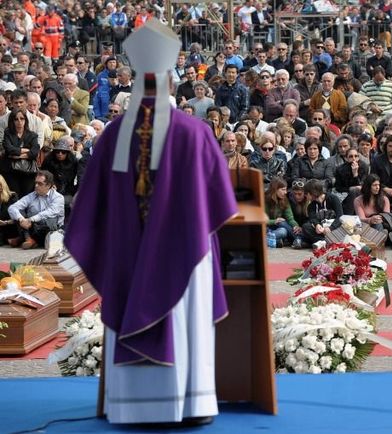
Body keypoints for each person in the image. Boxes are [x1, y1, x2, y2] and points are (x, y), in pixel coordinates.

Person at [65, 20, 238, 426]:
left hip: (127, 257)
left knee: (130, 300)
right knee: (185, 322)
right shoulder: (194, 134)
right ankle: (189, 406)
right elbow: (220, 204)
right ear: (168, 80)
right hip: (184, 253)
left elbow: (89, 208)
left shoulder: (111, 136)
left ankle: (131, 407)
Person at [7, 170, 64, 249]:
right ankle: (28, 239)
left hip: (50, 228)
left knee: (50, 220)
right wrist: (21, 219)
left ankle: (25, 239)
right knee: (19, 212)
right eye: (36, 183)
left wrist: (31, 219)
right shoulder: (32, 195)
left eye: (40, 184)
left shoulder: (58, 197)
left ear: (48, 185)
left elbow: (50, 212)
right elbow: (12, 207)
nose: (36, 186)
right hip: (32, 226)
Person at [2, 108, 39, 198]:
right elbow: (9, 149)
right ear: (12, 121)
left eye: (22, 118)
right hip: (11, 171)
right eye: (16, 119)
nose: (19, 122)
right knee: (14, 196)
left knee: (26, 196)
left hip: (28, 171)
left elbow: (35, 152)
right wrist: (26, 150)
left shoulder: (32, 135)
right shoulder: (8, 133)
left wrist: (18, 156)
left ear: (25, 120)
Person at [41, 136, 78, 214]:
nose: (60, 154)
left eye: (63, 152)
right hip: (50, 189)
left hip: (67, 190)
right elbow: (42, 175)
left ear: (67, 153)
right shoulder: (48, 160)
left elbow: (75, 178)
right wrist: (51, 184)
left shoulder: (73, 161)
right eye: (57, 152)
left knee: (66, 204)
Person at [301, 178, 343, 245]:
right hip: (322, 230)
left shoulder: (333, 198)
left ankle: (322, 242)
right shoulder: (311, 206)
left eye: (306, 194)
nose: (305, 196)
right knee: (306, 227)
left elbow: (340, 216)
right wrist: (317, 225)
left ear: (311, 193)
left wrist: (331, 228)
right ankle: (325, 242)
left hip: (333, 227)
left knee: (344, 225)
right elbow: (313, 218)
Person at [265, 177, 302, 248]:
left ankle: (267, 241)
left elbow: (290, 218)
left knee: (283, 231)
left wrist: (296, 226)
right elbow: (261, 220)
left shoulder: (284, 199)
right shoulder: (264, 199)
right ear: (275, 189)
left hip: (276, 230)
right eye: (283, 189)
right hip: (265, 228)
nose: (285, 192)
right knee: (280, 222)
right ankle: (298, 239)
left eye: (286, 189)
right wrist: (274, 221)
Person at [0, 175, 18, 245]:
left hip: (10, 228)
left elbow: (18, 218)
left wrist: (6, 222)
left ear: (1, 187)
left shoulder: (12, 197)